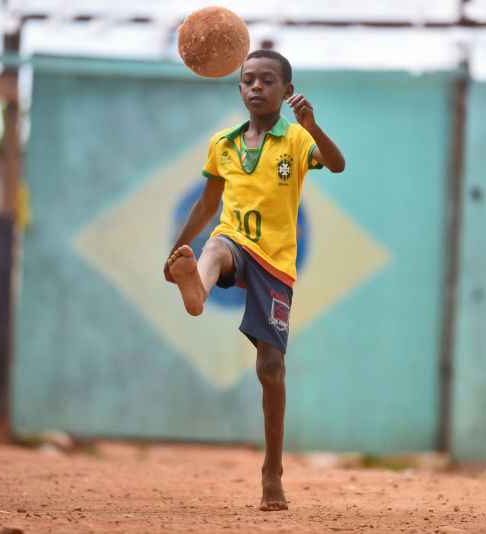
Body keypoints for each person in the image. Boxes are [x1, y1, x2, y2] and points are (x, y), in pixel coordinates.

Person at [164, 49, 345, 511]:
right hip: (234, 241)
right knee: (217, 246)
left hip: (277, 264)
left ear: (287, 91)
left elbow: (337, 163)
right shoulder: (223, 144)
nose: (257, 87)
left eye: (268, 80)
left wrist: (313, 126)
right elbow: (207, 205)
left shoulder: (297, 140)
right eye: (248, 80)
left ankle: (272, 473)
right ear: (239, 89)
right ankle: (197, 288)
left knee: (271, 369)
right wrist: (176, 249)